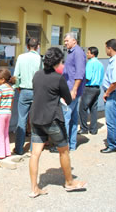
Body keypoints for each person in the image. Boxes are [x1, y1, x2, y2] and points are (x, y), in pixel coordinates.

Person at [29, 47, 87, 198]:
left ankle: (34, 188)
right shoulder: (58, 78)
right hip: (53, 119)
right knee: (64, 150)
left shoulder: (37, 75)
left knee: (35, 154)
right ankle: (69, 182)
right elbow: (67, 99)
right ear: (57, 62)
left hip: (36, 118)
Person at [52, 32, 86, 152]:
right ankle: (71, 144)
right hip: (70, 89)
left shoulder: (78, 53)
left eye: (67, 41)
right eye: (65, 41)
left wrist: (74, 90)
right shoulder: (71, 52)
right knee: (72, 118)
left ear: (74, 41)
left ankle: (62, 145)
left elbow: (79, 73)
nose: (65, 43)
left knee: (65, 117)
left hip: (72, 91)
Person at [13, 38, 42, 155]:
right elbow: (42, 75)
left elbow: (16, 76)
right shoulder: (40, 58)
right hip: (37, 91)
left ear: (26, 46)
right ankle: (32, 149)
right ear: (38, 46)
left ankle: (19, 149)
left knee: (22, 120)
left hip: (24, 91)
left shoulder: (21, 57)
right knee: (35, 121)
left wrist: (18, 87)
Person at [78, 47, 104, 135]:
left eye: (88, 53)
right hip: (97, 88)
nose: (87, 54)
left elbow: (88, 77)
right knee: (93, 109)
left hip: (89, 87)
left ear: (92, 54)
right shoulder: (100, 64)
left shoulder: (90, 63)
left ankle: (84, 128)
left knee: (83, 108)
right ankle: (93, 129)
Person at [0, 69, 15, 160]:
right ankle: (7, 151)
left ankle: (0, 153)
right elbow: (12, 102)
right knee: (5, 133)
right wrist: (9, 110)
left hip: (0, 114)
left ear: (3, 79)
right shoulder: (11, 88)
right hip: (8, 113)